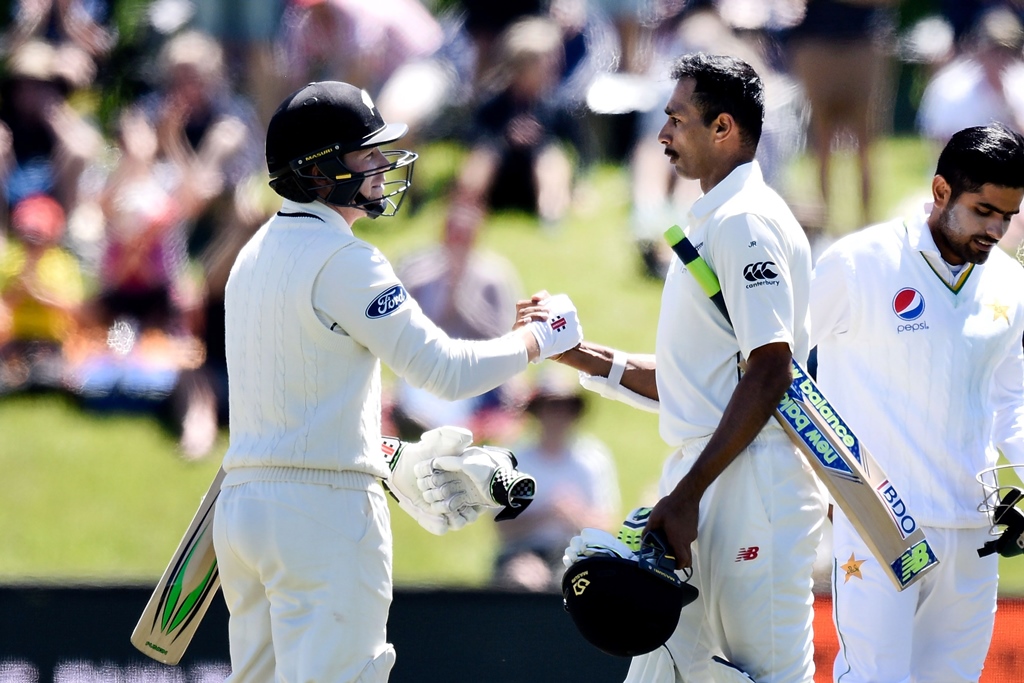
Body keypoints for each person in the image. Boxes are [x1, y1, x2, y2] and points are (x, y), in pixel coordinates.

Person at [211, 80, 582, 682]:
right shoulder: (345, 259)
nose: (383, 166)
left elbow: (295, 407)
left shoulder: (250, 258)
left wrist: (385, 454)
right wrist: (541, 339)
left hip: (243, 509)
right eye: (366, 154)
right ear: (321, 169)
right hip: (324, 516)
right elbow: (445, 370)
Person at [553, 53, 827, 682]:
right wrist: (580, 354)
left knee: (766, 676)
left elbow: (770, 373)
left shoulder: (747, 222)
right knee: (661, 675)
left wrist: (686, 495)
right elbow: (701, 383)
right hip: (706, 479)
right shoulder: (715, 221)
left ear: (723, 129)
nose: (663, 135)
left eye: (676, 119)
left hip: (751, 485)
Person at [810, 123, 1024, 682]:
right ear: (940, 191)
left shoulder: (1010, 283)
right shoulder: (859, 262)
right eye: (984, 211)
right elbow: (775, 365)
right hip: (881, 522)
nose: (997, 229)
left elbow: (1011, 399)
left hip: (975, 530)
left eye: (1009, 214)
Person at [493, 365, 620, 592]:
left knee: (580, 583)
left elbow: (607, 524)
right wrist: (548, 513)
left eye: (566, 407)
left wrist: (575, 514)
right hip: (523, 552)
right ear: (538, 411)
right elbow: (503, 529)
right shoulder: (516, 461)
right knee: (523, 580)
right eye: (552, 406)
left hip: (577, 554)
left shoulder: (592, 459)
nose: (558, 415)